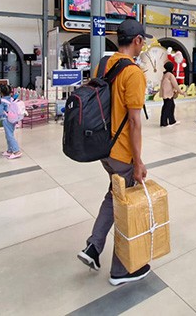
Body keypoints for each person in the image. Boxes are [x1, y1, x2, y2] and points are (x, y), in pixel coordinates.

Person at [78, 19, 153, 286]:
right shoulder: (133, 73)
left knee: (113, 196)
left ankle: (93, 247)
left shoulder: (103, 63)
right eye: (143, 40)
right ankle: (121, 270)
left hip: (102, 147)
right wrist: (138, 161)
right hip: (121, 152)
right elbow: (134, 122)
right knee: (126, 207)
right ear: (137, 41)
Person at [0, 84, 22, 159]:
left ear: (1, 93)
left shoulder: (1, 101)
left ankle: (17, 151)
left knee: (9, 135)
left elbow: (0, 111)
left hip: (6, 120)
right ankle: (10, 150)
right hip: (13, 119)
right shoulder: (11, 99)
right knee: (9, 134)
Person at [159, 60, 179, 127]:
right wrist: (181, 92)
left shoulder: (165, 74)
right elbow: (175, 85)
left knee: (170, 106)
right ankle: (164, 123)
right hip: (168, 95)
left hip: (167, 94)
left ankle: (172, 121)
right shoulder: (170, 75)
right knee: (167, 107)